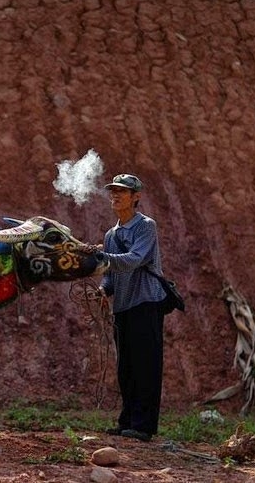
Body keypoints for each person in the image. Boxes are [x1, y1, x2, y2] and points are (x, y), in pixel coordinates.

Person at [97, 173, 167, 442]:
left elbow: (134, 259)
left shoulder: (146, 226)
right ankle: (127, 420)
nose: (115, 195)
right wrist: (104, 289)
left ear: (136, 197)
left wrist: (99, 258)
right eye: (113, 191)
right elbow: (110, 274)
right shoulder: (110, 234)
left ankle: (143, 425)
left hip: (146, 303)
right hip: (123, 307)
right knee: (125, 367)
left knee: (145, 365)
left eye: (122, 192)